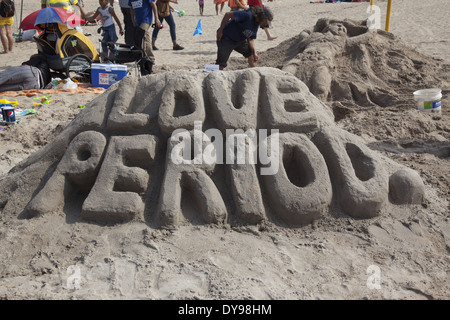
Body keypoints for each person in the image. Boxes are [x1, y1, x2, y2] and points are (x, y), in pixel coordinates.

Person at [215, 6, 273, 70]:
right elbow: (228, 14)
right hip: (226, 38)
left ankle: (256, 72)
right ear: (263, 17)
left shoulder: (256, 25)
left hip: (240, 40)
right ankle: (206, 68)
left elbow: (250, 39)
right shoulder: (247, 15)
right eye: (267, 21)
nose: (266, 24)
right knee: (220, 66)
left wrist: (254, 52)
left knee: (251, 56)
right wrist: (220, 32)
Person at [129, 0, 161, 66]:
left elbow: (154, 5)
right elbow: (131, 9)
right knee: (146, 38)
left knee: (142, 37)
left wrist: (156, 19)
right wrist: (133, 20)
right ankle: (149, 58)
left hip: (146, 20)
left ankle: (146, 58)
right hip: (137, 21)